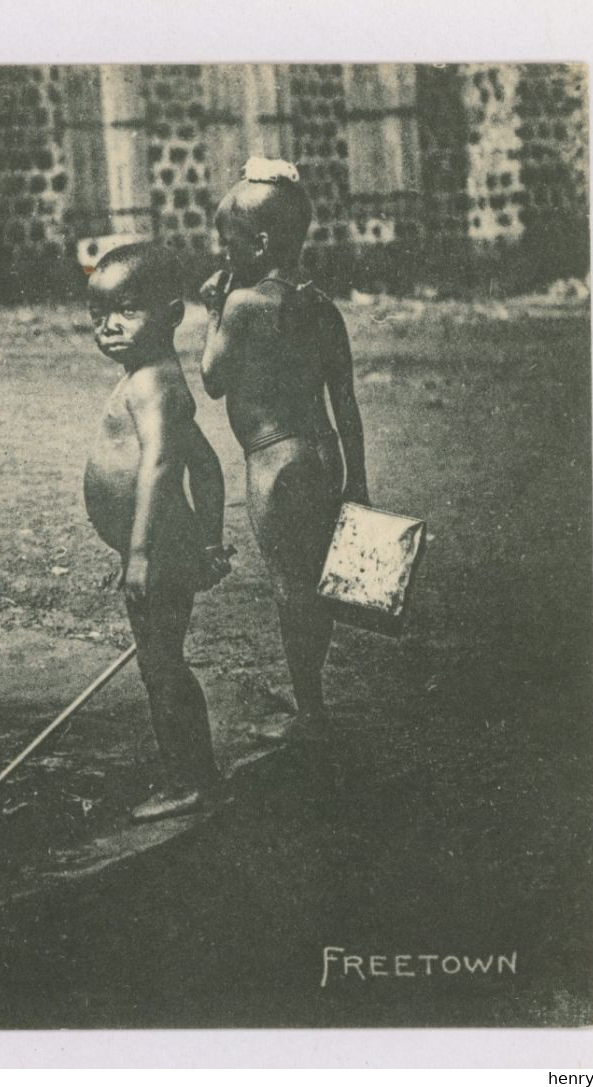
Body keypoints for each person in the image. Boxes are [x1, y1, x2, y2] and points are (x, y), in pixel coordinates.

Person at [198, 157, 370, 744]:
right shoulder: (323, 307)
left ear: (262, 242)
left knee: (289, 588)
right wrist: (358, 481)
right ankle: (312, 702)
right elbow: (345, 403)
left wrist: (213, 312)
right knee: (315, 582)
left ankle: (311, 713)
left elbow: (211, 378)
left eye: (230, 242)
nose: (223, 253)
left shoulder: (244, 306)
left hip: (274, 463)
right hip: (322, 454)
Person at [83, 242, 232, 821]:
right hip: (157, 545)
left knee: (161, 666)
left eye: (126, 311)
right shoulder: (147, 377)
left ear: (171, 314)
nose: (109, 327)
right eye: (98, 316)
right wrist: (206, 542)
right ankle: (191, 773)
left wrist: (142, 554)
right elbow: (208, 465)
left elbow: (164, 466)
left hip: (159, 549)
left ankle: (190, 780)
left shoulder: (154, 385)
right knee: (159, 660)